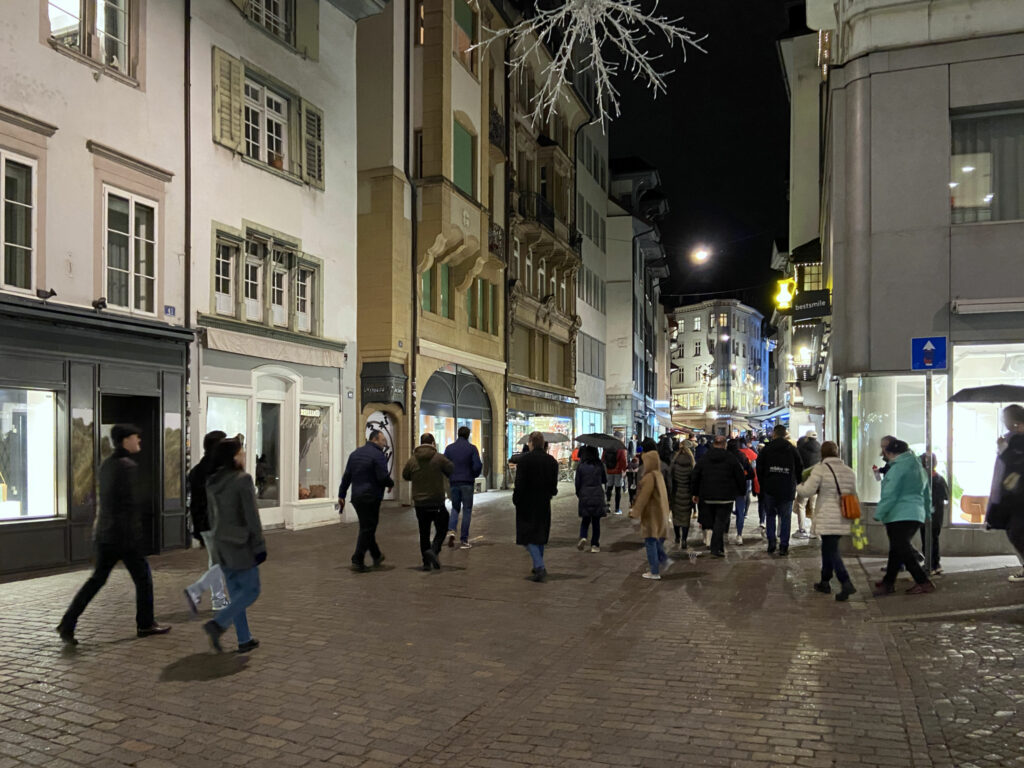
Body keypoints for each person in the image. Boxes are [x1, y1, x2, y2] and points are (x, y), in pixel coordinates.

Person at [57, 424, 171, 646]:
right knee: (143, 579)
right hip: (124, 536)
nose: (139, 440)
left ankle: (67, 622)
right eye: (135, 437)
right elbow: (129, 504)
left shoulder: (106, 465)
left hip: (105, 534)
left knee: (96, 580)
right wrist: (137, 535)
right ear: (124, 440)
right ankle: (145, 624)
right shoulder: (127, 466)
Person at [202, 437, 266, 653]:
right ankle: (218, 623)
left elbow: (212, 516)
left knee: (237, 592)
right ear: (234, 456)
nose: (245, 454)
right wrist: (259, 546)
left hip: (221, 544)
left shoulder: (212, 481)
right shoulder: (243, 480)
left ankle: (244, 638)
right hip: (241, 545)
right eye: (242, 451)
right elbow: (251, 517)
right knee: (251, 591)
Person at [796, 441, 858, 601]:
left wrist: (798, 486)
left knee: (832, 550)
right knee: (828, 548)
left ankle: (846, 582)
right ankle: (825, 581)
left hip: (827, 516)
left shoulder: (821, 470)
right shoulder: (849, 471)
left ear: (822, 453)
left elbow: (807, 490)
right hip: (843, 515)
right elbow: (852, 493)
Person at [873, 439, 935, 596]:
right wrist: (927, 513)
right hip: (915, 514)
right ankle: (888, 582)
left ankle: (922, 581)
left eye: (885, 452)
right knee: (897, 549)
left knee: (902, 548)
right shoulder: (917, 467)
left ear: (891, 453)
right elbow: (927, 492)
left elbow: (890, 493)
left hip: (898, 514)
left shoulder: (898, 468)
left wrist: (880, 512)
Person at [183, 430, 230, 615]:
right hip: (217, 522)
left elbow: (193, 502)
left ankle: (218, 599)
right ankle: (202, 591)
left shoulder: (197, 471)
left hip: (204, 523)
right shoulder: (219, 471)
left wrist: (196, 528)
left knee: (216, 561)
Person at [338, 430, 395, 573]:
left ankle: (376, 555)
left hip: (357, 497)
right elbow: (382, 476)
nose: (384, 444)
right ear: (375, 439)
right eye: (383, 440)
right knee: (368, 528)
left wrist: (342, 494)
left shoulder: (355, 454)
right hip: (371, 496)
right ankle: (357, 559)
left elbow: (347, 476)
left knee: (366, 527)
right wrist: (390, 483)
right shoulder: (378, 455)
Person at [403, 433, 454, 571]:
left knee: (423, 532)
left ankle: (426, 563)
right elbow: (451, 469)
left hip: (420, 503)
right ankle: (434, 549)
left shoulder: (413, 459)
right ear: (433, 443)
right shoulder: (439, 458)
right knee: (443, 527)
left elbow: (405, 475)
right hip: (436, 501)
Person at [514, 431, 559, 582]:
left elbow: (519, 484)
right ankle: (536, 564)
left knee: (527, 536)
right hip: (544, 502)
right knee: (539, 535)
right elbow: (553, 486)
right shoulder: (551, 461)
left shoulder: (525, 461)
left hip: (527, 503)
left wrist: (516, 500)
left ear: (531, 443)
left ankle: (539, 566)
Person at [986, 405, 1024, 582]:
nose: (1004, 422)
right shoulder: (1012, 438)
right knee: (1013, 531)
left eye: (1006, 418)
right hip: (1012, 496)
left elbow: (1016, 463)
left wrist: (1004, 449)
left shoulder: (1018, 440)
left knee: (1016, 531)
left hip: (1018, 496)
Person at [691, 436, 746, 557]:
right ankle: (716, 549)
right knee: (720, 522)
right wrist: (741, 491)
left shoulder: (705, 458)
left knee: (713, 522)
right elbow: (740, 476)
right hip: (726, 497)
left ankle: (718, 547)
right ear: (724, 445)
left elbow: (695, 475)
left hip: (708, 496)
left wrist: (695, 493)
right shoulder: (731, 458)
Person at [756, 424, 804, 556]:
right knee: (785, 517)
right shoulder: (792, 449)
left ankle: (771, 542)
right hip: (787, 488)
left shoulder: (767, 449)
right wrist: (798, 483)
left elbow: (759, 468)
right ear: (785, 434)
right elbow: (800, 467)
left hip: (770, 488)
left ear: (774, 434)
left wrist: (763, 484)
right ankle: (784, 546)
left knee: (770, 515)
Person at [631, 450, 672, 579]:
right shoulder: (658, 475)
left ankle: (654, 571)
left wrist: (635, 511)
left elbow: (643, 496)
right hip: (660, 514)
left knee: (650, 541)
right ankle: (664, 560)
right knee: (656, 540)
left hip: (651, 514)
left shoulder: (649, 477)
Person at [443, 426, 483, 549]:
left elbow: (444, 465)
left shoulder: (449, 448)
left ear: (458, 434)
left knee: (455, 507)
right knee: (467, 510)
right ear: (468, 435)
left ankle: (451, 530)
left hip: (454, 482)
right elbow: (477, 465)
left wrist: (450, 476)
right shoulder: (472, 449)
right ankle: (464, 540)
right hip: (467, 482)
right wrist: (473, 474)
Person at [575, 445, 607, 553]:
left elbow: (577, 483)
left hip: (585, 494)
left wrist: (579, 494)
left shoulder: (581, 466)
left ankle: (583, 536)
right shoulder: (600, 465)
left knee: (585, 520)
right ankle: (594, 545)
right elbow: (604, 480)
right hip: (597, 494)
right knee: (596, 522)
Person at [922, 453, 949, 576]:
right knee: (934, 538)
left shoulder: (923, 480)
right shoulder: (939, 479)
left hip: (926, 513)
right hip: (937, 514)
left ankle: (931, 564)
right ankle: (935, 563)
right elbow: (946, 496)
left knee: (927, 539)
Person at [794, 430, 822, 538]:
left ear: (807, 437)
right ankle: (814, 531)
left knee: (801, 505)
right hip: (816, 482)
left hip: (805, 482)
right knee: (814, 506)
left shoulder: (801, 449)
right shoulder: (820, 449)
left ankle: (802, 530)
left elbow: (798, 465)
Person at [727, 439, 754, 545]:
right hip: (740, 488)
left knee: (725, 511)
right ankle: (739, 535)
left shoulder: (724, 457)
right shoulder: (742, 456)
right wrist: (743, 477)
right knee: (740, 512)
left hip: (726, 488)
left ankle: (724, 532)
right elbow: (751, 474)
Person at [668, 442, 695, 550]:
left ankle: (677, 537)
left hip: (676, 493)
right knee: (686, 517)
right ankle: (684, 539)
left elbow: (670, 479)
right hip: (687, 493)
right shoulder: (691, 464)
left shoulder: (674, 463)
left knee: (676, 516)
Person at [738, 438, 762, 533]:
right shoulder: (751, 452)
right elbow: (754, 465)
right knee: (747, 493)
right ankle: (745, 512)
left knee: (739, 496)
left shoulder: (736, 452)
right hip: (747, 477)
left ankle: (739, 511)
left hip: (737, 478)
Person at [602, 442, 628, 515]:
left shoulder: (606, 448)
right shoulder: (620, 448)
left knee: (609, 488)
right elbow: (623, 460)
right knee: (618, 490)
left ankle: (608, 505)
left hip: (609, 471)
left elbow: (603, 459)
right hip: (618, 471)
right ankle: (617, 509)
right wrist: (624, 469)